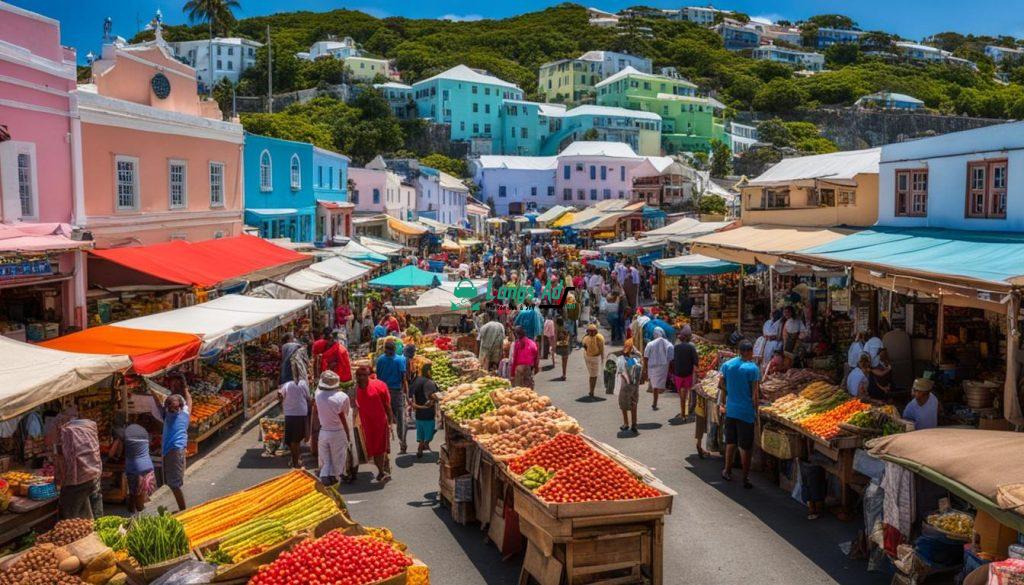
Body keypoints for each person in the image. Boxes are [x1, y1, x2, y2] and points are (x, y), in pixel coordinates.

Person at [719, 340, 760, 489]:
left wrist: (730, 392)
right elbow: (755, 395)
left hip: (731, 410)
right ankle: (745, 477)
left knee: (731, 443)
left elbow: (720, 384)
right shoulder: (753, 369)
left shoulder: (728, 365)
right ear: (748, 352)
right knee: (745, 447)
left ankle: (727, 471)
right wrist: (756, 411)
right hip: (745, 412)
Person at [148, 382, 191, 510]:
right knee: (172, 481)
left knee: (174, 484)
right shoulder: (185, 414)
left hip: (174, 450)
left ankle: (183, 510)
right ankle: (182, 508)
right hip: (174, 450)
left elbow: (158, 403)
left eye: (172, 407)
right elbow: (189, 400)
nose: (170, 409)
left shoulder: (170, 416)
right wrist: (186, 389)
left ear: (177, 408)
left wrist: (151, 389)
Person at [56, 412, 102, 520]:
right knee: (93, 509)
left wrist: (59, 478)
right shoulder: (89, 426)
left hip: (78, 480)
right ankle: (96, 528)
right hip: (94, 472)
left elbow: (65, 458)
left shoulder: (68, 431)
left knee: (71, 518)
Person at [109, 414, 155, 516]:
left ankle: (135, 519)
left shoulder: (123, 434)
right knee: (140, 497)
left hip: (135, 469)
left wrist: (117, 455)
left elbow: (112, 453)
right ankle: (137, 518)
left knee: (135, 499)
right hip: (148, 467)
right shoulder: (143, 432)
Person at [355, 366, 394, 482]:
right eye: (359, 375)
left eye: (364, 375)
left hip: (379, 422)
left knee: (379, 448)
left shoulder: (379, 386)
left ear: (368, 375)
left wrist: (390, 421)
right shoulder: (354, 389)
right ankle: (383, 468)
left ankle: (382, 472)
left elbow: (387, 405)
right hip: (365, 424)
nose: (361, 377)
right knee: (374, 449)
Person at [314, 371, 352, 485]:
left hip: (323, 431)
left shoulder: (318, 396)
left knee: (326, 458)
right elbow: (344, 416)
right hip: (338, 431)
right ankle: (337, 476)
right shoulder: (342, 397)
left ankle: (325, 476)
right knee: (338, 458)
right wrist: (348, 433)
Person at [375, 339, 409, 454]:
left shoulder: (380, 360)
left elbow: (378, 377)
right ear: (395, 349)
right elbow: (404, 378)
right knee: (400, 419)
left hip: (383, 391)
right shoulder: (400, 360)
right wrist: (406, 394)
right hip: (395, 392)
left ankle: (383, 445)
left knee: (384, 418)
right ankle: (402, 442)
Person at [278, 376, 311, 468]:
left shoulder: (287, 384)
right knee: (296, 439)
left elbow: (280, 394)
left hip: (290, 414)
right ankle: (295, 461)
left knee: (293, 439)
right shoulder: (303, 383)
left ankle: (295, 460)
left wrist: (283, 403)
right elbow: (308, 397)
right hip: (300, 413)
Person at [410, 363, 440, 458]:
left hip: (418, 413)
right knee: (432, 429)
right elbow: (433, 396)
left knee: (421, 432)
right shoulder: (429, 382)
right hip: (428, 412)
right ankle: (426, 443)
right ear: (428, 371)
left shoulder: (416, 380)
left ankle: (420, 447)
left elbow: (411, 394)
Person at [671, 325, 700, 420]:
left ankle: (683, 413)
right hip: (688, 374)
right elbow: (696, 361)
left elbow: (672, 360)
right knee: (687, 394)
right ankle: (685, 413)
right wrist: (697, 372)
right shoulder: (691, 347)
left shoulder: (676, 347)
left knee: (681, 394)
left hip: (678, 373)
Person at [643, 327, 674, 411]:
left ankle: (654, 401)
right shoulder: (668, 343)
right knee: (658, 385)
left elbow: (645, 356)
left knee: (654, 385)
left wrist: (645, 369)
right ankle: (655, 402)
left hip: (652, 367)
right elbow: (671, 355)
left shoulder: (650, 344)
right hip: (663, 367)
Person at [616, 339, 643, 434]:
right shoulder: (638, 356)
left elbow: (620, 370)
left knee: (623, 404)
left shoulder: (624, 358)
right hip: (635, 385)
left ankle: (626, 423)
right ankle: (634, 424)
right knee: (634, 404)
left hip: (625, 385)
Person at [581, 323, 606, 398]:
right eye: (590, 331)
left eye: (593, 331)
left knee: (593, 375)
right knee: (592, 375)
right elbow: (584, 346)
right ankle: (591, 391)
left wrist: (602, 359)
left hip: (595, 358)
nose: (591, 333)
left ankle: (591, 391)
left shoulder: (599, 338)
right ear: (588, 331)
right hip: (587, 357)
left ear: (596, 331)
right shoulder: (586, 338)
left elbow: (602, 349)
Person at [553, 316, 572, 381]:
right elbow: (570, 336)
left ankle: (563, 374)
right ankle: (564, 374)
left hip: (561, 346)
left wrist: (554, 347)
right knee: (565, 361)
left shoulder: (557, 329)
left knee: (563, 361)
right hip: (567, 346)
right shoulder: (566, 327)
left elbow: (555, 338)